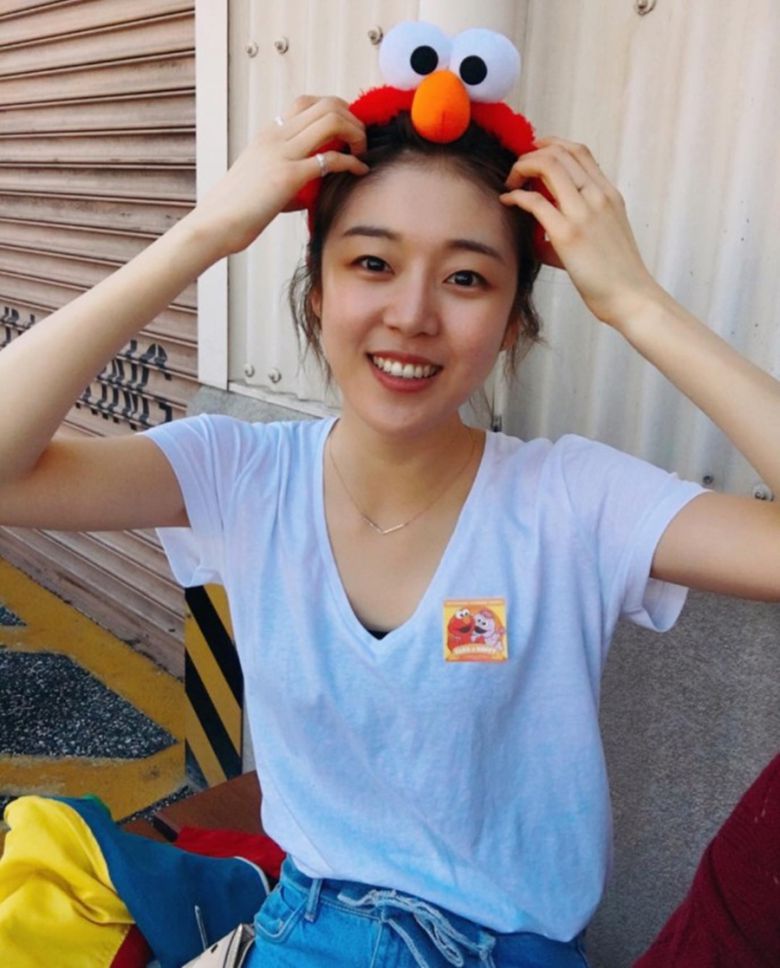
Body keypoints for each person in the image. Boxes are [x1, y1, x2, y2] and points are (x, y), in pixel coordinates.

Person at [0, 21, 777, 968]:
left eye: (467, 278)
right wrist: (205, 233)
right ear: (317, 291)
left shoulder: (573, 502)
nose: (411, 315)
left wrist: (637, 304)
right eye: (371, 262)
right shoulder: (238, 473)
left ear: (513, 322)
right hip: (304, 930)